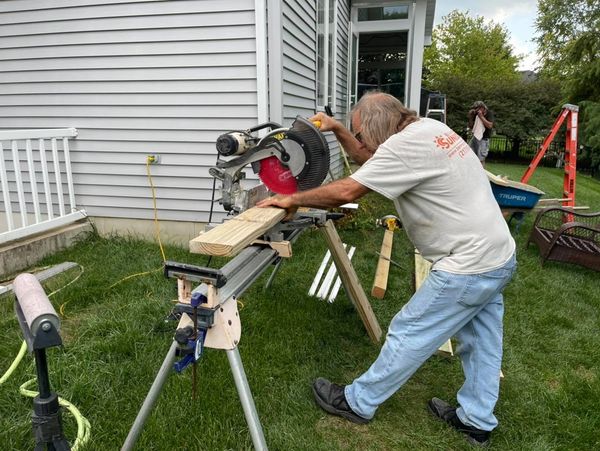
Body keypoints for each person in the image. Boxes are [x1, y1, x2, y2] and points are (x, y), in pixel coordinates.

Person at [256, 91, 516, 447]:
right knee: (482, 342)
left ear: (379, 127)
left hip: (467, 264)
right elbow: (367, 154)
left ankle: (358, 403)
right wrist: (335, 129)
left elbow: (347, 190)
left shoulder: (404, 147)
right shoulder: (428, 129)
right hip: (498, 254)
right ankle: (476, 419)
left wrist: (290, 199)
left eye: (359, 132)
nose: (358, 140)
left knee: (410, 330)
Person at [468, 101, 495, 167]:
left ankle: (482, 176)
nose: (475, 110)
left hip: (484, 139)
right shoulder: (476, 114)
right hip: (475, 137)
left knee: (481, 159)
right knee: (469, 155)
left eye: (476, 108)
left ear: (482, 107)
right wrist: (471, 117)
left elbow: (490, 126)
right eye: (475, 108)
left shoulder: (489, 113)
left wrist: (481, 117)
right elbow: (471, 126)